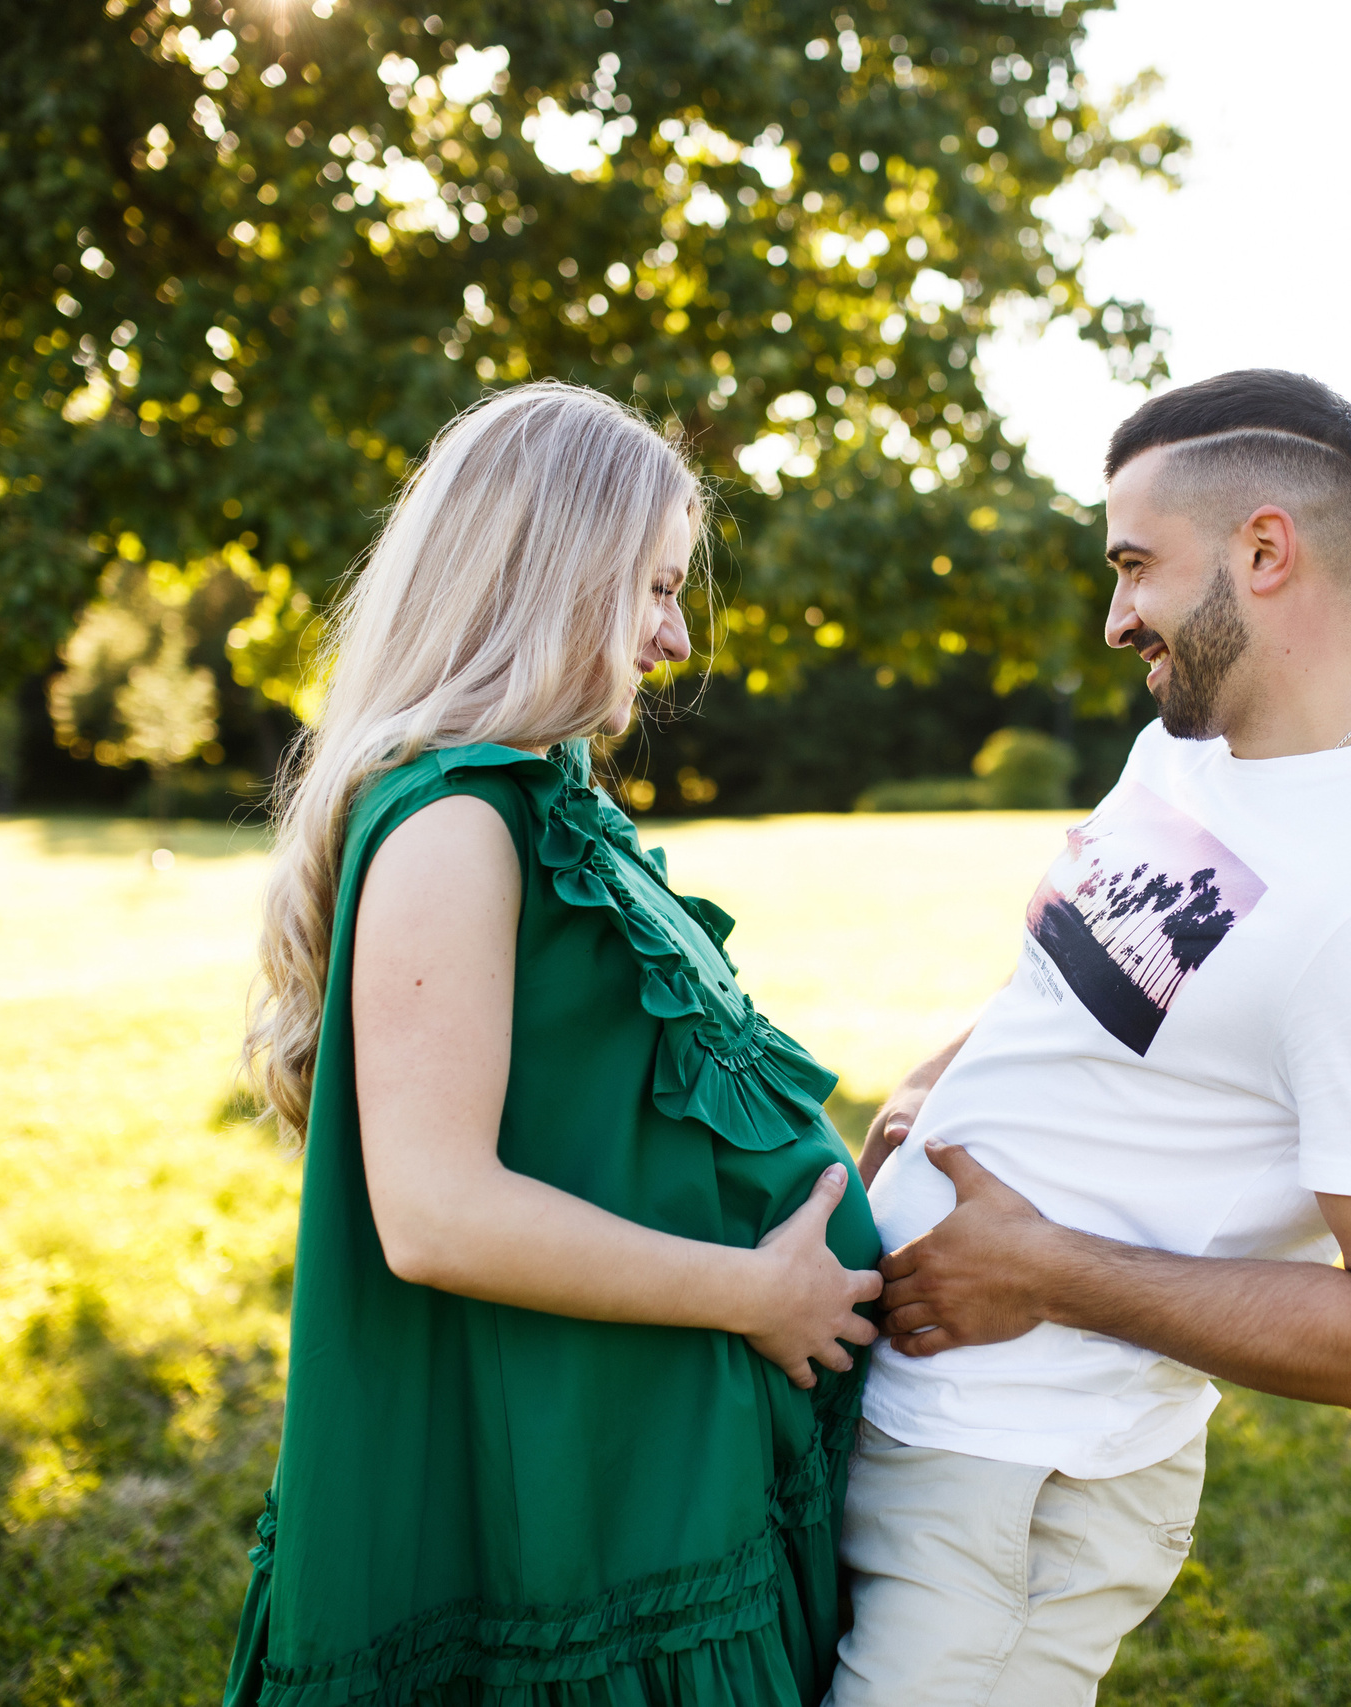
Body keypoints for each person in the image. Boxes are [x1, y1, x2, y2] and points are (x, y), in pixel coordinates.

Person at [830, 371, 1351, 1706]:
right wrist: (935, 1079)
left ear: (1265, 551)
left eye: (1135, 566)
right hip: (916, 1412)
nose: (1113, 613)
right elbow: (1092, 974)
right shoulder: (1182, 751)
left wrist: (1045, 1272)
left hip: (1024, 1480)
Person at [226, 381, 884, 1707]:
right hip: (568, 1492)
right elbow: (434, 1213)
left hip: (654, 1448)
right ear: (545, 575)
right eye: (649, 586)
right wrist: (754, 1293)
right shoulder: (454, 823)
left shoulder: (548, 795)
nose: (671, 633)